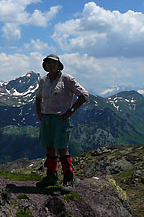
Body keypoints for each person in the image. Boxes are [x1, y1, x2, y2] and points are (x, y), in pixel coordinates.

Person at [35, 54, 89, 189]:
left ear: (59, 66)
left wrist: (70, 112)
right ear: (45, 66)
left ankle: (68, 178)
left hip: (60, 118)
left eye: (53, 63)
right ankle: (51, 176)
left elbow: (84, 95)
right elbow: (38, 97)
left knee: (62, 148)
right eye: (48, 63)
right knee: (49, 147)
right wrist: (39, 113)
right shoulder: (43, 81)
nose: (51, 65)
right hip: (47, 118)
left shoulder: (67, 79)